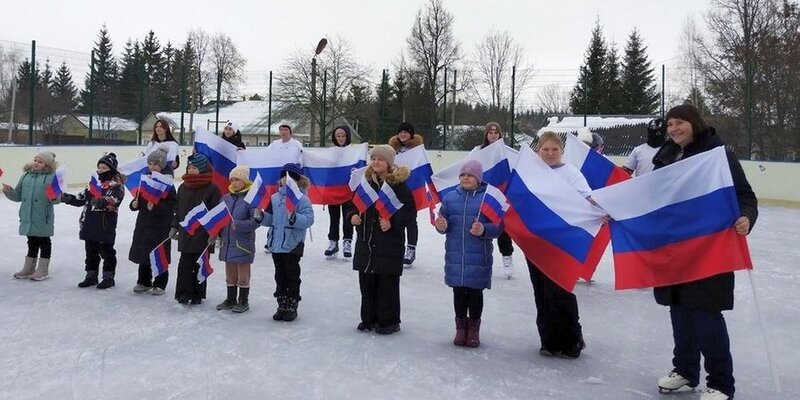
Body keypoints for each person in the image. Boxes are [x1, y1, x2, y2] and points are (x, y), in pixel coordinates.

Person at [652, 104, 757, 400]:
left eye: (679, 123)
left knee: (706, 315)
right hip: (673, 247)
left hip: (708, 248)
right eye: (670, 124)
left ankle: (721, 382)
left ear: (694, 123)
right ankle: (685, 370)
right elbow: (650, 195)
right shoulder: (666, 155)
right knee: (680, 313)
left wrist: (747, 217)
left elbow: (745, 196)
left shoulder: (718, 155)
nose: (673, 129)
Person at [529, 132, 595, 359]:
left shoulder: (571, 173)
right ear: (538, 150)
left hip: (563, 243)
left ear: (561, 151)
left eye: (554, 149)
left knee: (560, 290)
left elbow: (586, 199)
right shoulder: (530, 173)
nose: (549, 153)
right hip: (537, 243)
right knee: (542, 292)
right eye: (545, 149)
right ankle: (549, 340)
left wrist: (597, 212)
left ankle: (572, 339)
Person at [346, 145, 415, 334]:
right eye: (373, 158)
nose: (376, 162)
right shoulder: (365, 183)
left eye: (380, 159)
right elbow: (353, 206)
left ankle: (388, 321)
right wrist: (352, 216)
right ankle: (368, 318)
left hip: (388, 245)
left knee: (386, 285)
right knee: (367, 284)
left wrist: (392, 222)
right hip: (366, 244)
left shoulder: (398, 185)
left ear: (389, 163)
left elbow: (410, 212)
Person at [434, 160, 502, 348]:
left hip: (479, 257)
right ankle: (460, 328)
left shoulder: (488, 199)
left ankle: (473, 329)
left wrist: (484, 230)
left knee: (474, 294)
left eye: (470, 175)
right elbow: (443, 221)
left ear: (479, 178)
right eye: (463, 175)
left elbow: (498, 227)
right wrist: (441, 226)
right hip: (455, 256)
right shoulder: (450, 198)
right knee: (458, 293)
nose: (465, 177)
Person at [62, 153, 126, 289]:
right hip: (90, 222)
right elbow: (82, 198)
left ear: (112, 169)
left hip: (105, 224)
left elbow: (115, 200)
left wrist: (102, 202)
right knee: (90, 251)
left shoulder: (116, 185)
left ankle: (108, 277)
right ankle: (91, 276)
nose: (100, 170)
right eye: (99, 167)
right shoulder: (94, 183)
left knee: (106, 251)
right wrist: (69, 198)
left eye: (104, 168)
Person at [260, 163, 314, 322]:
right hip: (276, 244)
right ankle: (281, 303)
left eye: (288, 177)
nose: (284, 179)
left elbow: (309, 220)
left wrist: (294, 218)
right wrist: (261, 217)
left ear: (297, 181)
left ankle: (291, 303)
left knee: (292, 275)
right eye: (283, 176)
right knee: (280, 274)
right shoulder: (274, 198)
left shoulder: (302, 199)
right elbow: (270, 219)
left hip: (292, 244)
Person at [170, 153, 222, 305]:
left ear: (202, 169)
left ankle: (198, 294)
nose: (191, 170)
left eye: (194, 167)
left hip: (204, 233)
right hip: (186, 232)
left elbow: (216, 212)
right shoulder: (183, 187)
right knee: (185, 264)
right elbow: (177, 209)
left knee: (200, 263)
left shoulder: (212, 189)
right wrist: (174, 225)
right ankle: (183, 293)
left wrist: (215, 232)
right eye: (189, 167)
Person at [2, 151, 61, 280]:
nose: (36, 163)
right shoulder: (26, 176)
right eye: (35, 160)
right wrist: (9, 191)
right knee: (31, 242)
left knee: (44, 241)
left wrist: (51, 193)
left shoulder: (52, 177)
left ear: (47, 164)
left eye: (40, 161)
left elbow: (56, 200)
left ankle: (43, 269)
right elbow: (18, 195)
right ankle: (29, 268)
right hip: (28, 216)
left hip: (43, 217)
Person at [128, 145, 177, 295]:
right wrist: (134, 205)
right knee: (144, 252)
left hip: (160, 226)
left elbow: (171, 205)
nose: (152, 167)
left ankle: (160, 283)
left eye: (156, 164)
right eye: (150, 164)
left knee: (159, 253)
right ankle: (143, 281)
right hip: (144, 223)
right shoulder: (145, 180)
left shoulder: (168, 184)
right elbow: (138, 199)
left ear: (162, 166)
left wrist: (156, 207)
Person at [216, 165, 260, 313]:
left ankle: (243, 300)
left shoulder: (251, 198)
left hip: (242, 243)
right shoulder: (225, 198)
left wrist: (239, 225)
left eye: (237, 180)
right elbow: (220, 218)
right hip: (228, 242)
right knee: (230, 274)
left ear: (245, 181)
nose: (234, 182)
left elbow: (256, 221)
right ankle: (230, 298)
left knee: (243, 274)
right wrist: (217, 232)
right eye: (232, 179)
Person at [478, 121, 515, 279]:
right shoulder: (478, 151)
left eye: (496, 133)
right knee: (482, 226)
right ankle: (482, 260)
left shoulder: (505, 152)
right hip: (483, 194)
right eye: (490, 133)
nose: (493, 135)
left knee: (502, 228)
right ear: (486, 135)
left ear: (500, 135)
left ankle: (507, 258)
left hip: (500, 195)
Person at [387, 121, 422, 268]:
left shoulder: (418, 150)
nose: (403, 134)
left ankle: (411, 248)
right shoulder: (391, 150)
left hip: (412, 188)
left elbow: (422, 168)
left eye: (406, 132)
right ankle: (396, 247)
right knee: (396, 217)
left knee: (411, 219)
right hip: (396, 188)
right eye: (401, 132)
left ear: (411, 135)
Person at [264, 124, 303, 254]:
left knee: (288, 209)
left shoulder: (296, 144)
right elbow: (264, 156)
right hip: (276, 180)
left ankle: (288, 238)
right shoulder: (274, 144)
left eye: (286, 129)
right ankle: (272, 236)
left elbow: (301, 161)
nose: (283, 132)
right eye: (281, 129)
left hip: (291, 181)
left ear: (290, 131)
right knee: (273, 209)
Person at [324, 125, 355, 258]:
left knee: (348, 217)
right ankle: (333, 241)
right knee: (334, 217)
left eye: (343, 136)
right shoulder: (331, 152)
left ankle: (347, 242)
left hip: (348, 190)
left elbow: (360, 168)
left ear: (347, 136)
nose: (341, 138)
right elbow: (326, 169)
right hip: (333, 190)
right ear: (334, 137)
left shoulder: (354, 151)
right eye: (338, 136)